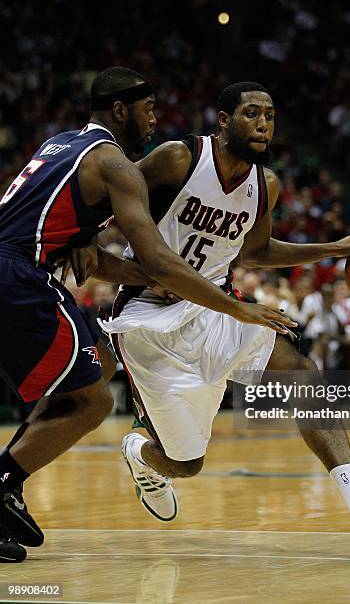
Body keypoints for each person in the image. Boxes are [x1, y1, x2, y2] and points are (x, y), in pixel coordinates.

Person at [102, 82, 350, 556]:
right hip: (149, 318)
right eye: (250, 113)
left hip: (216, 311)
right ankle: (139, 454)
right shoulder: (179, 159)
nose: (263, 122)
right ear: (224, 121)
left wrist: (335, 246)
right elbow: (108, 196)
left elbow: (257, 251)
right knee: (186, 464)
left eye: (269, 114)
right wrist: (84, 246)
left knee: (303, 374)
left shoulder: (265, 186)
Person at [0, 69, 294, 563]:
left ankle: (7, 487)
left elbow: (104, 260)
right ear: (120, 111)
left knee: (98, 372)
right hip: (17, 276)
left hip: (20, 271)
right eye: (148, 109)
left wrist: (119, 262)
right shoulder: (116, 164)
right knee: (92, 402)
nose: (155, 118)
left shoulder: (61, 145)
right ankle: (5, 484)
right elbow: (158, 260)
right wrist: (236, 309)